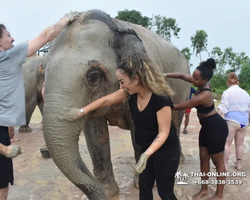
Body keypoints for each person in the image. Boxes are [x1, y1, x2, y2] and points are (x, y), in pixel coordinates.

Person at [61, 53, 180, 200]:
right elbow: (105, 100)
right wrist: (81, 111)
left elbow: (163, 133)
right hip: (146, 149)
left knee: (165, 193)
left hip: (166, 151)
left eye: (122, 81)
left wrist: (146, 154)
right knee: (144, 189)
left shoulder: (161, 99)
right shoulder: (130, 93)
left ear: (136, 79)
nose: (121, 86)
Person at [0, 12, 79, 200]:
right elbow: (44, 36)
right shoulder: (9, 56)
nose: (13, 38)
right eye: (8, 35)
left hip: (4, 128)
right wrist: (67, 19)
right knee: (1, 188)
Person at [166, 58, 228, 200]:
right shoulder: (199, 81)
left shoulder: (205, 94)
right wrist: (164, 75)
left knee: (218, 163)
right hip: (206, 127)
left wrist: (166, 106)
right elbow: (181, 76)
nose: (192, 80)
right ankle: (204, 189)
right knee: (203, 158)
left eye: (196, 78)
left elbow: (185, 104)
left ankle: (219, 194)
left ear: (204, 80)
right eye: (193, 76)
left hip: (216, 127)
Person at [217, 72, 250, 170]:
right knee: (240, 144)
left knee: (226, 143)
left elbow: (223, 108)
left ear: (228, 83)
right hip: (244, 121)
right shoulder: (245, 93)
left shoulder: (227, 92)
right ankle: (239, 165)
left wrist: (216, 119)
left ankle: (225, 165)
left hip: (232, 120)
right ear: (238, 82)